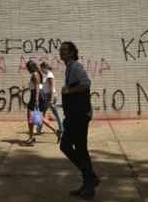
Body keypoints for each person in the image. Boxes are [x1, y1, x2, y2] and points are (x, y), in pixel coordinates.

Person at [59, 41, 99, 199]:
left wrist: (69, 90)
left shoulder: (75, 66)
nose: (61, 53)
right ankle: (89, 179)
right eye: (60, 50)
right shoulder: (69, 67)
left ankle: (89, 182)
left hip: (80, 117)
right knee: (71, 147)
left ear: (71, 52)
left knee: (76, 148)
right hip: (74, 117)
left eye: (64, 50)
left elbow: (86, 84)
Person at [37, 61, 63, 141]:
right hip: (47, 96)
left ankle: (61, 129)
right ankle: (39, 129)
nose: (41, 70)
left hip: (50, 97)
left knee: (55, 113)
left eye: (41, 68)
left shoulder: (49, 75)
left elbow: (52, 88)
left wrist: (51, 99)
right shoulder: (47, 75)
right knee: (43, 113)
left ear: (44, 67)